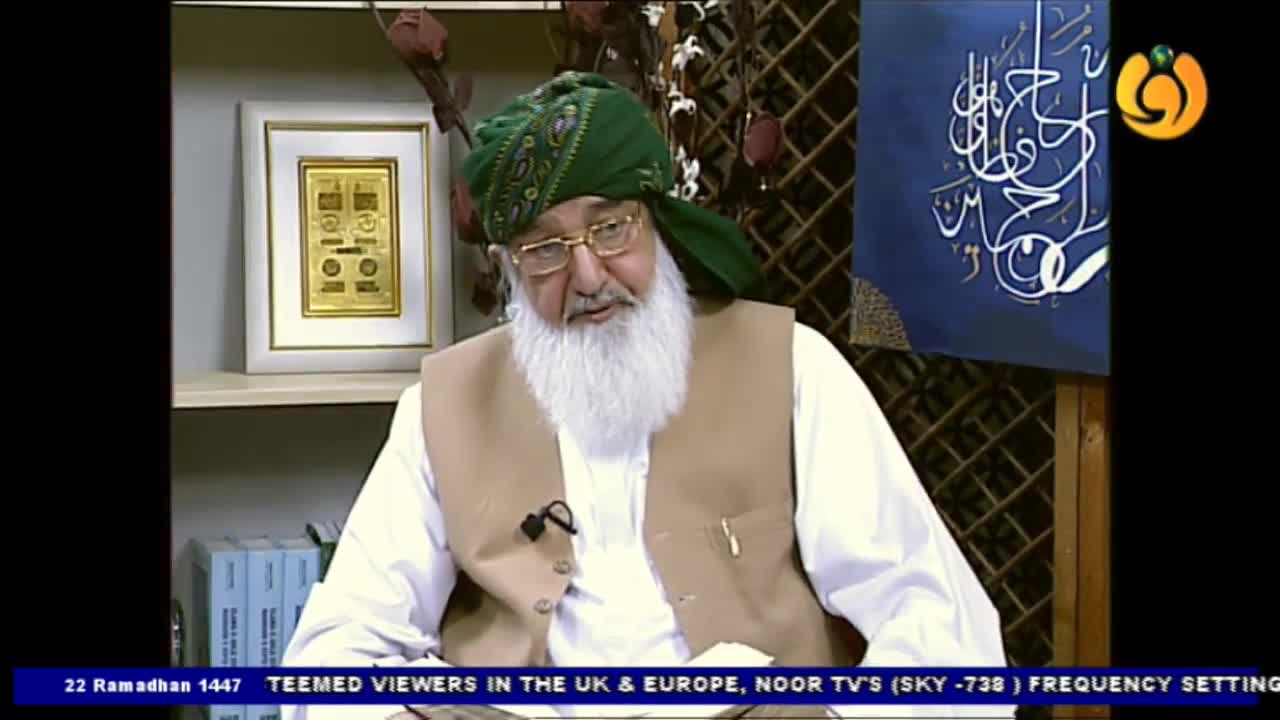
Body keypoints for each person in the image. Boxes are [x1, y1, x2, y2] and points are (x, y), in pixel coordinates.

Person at [280, 72, 1013, 720]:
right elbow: (333, 656)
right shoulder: (446, 404)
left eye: (610, 227)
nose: (590, 274)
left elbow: (944, 632)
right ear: (508, 267)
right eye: (544, 249)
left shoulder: (792, 369)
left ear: (657, 222)